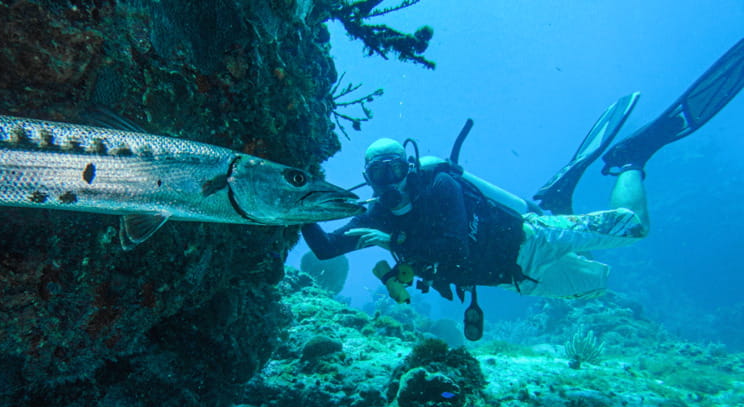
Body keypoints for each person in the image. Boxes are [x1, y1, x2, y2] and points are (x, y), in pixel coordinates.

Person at [302, 38, 744, 341]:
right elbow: (325, 249)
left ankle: (631, 158)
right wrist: (298, 203)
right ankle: (556, 197)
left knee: (634, 229)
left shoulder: (438, 186)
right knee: (596, 284)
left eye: (396, 169)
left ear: (409, 166)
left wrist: (394, 239)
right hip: (516, 279)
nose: (391, 181)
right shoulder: (375, 217)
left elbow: (455, 247)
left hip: (533, 239)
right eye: (380, 175)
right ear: (369, 179)